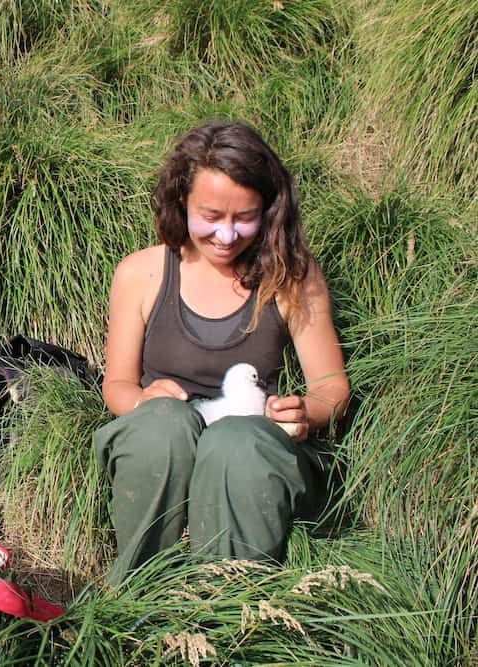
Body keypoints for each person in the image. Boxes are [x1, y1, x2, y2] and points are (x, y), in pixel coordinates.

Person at [94, 122, 350, 585]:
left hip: (253, 449)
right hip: (164, 438)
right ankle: (136, 597)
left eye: (245, 217)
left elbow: (332, 388)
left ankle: (229, 611)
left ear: (270, 211)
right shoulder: (141, 273)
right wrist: (142, 402)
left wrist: (304, 414)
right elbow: (117, 385)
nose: (227, 236)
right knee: (161, 427)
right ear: (181, 203)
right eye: (210, 215)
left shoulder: (292, 275)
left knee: (234, 442)